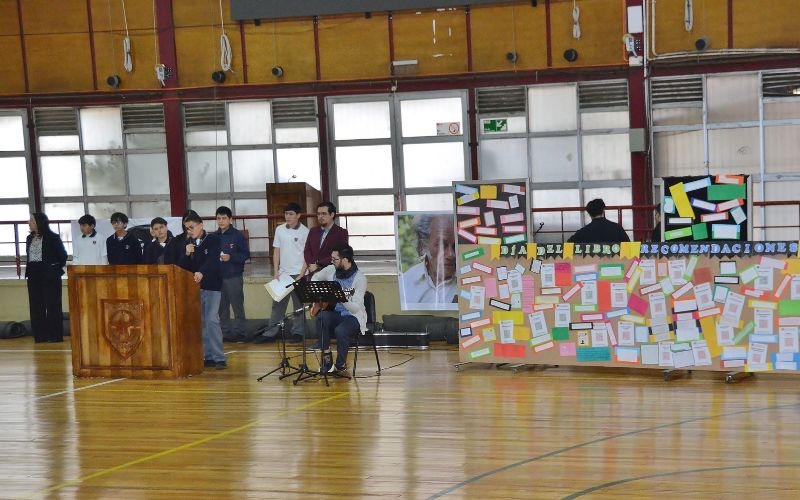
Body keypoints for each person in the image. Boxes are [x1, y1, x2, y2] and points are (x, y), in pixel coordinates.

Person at [255, 202, 310, 344]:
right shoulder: (279, 230)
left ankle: (298, 333)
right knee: (277, 305)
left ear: (298, 215)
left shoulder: (305, 232)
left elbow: (307, 255)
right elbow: (276, 251)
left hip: (299, 274)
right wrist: (276, 271)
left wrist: (301, 274)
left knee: (299, 306)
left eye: (291, 214)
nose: (288, 216)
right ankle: (271, 333)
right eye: (286, 214)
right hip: (283, 274)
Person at [178, 211, 226, 370]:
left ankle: (219, 357)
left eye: (191, 227)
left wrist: (202, 272)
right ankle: (208, 356)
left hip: (212, 286)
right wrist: (186, 253)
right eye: (187, 228)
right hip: (195, 288)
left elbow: (213, 260)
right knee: (202, 321)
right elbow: (183, 267)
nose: (189, 231)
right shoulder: (188, 244)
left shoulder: (213, 239)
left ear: (201, 225)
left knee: (212, 319)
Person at [311, 243, 367, 377]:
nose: (332, 262)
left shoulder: (360, 279)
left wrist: (342, 298)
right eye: (332, 258)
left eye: (335, 259)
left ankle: (340, 365)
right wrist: (321, 294)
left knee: (340, 330)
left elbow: (356, 307)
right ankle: (327, 358)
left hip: (355, 316)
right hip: (337, 313)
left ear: (346, 259)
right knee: (321, 317)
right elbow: (315, 278)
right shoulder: (331, 270)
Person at [25, 212, 68, 343]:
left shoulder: (53, 237)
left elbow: (63, 256)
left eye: (31, 220)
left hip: (50, 275)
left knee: (53, 305)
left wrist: (53, 267)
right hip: (33, 274)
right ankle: (40, 335)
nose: (29, 222)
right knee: (36, 305)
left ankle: (55, 336)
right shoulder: (29, 238)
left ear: (39, 222)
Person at [399, 214, 457, 308]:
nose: (451, 254)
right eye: (442, 245)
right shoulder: (406, 283)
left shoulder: (471, 280)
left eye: (456, 246)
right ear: (423, 244)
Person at [215, 206, 251, 343]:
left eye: (224, 218)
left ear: (230, 219)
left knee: (237, 306)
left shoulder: (237, 235)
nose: (221, 221)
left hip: (234, 276)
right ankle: (225, 333)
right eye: (218, 218)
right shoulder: (214, 236)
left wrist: (231, 257)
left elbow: (246, 254)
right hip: (218, 277)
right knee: (222, 308)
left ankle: (240, 333)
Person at [301, 201, 349, 277]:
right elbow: (307, 250)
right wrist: (311, 265)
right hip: (313, 273)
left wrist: (318, 265)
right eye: (318, 214)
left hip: (331, 274)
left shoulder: (341, 233)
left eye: (324, 214)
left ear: (332, 214)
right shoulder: (313, 231)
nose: (320, 216)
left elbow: (340, 253)